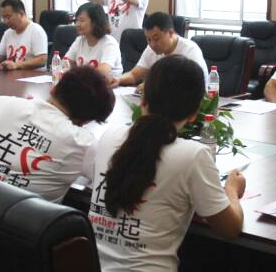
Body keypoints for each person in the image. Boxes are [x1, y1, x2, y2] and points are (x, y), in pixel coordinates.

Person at [87, 55, 245, 271]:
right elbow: (230, 229)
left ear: (143, 100)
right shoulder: (193, 155)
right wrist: (232, 190)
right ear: (195, 112)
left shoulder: (109, 137)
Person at [0, 66, 115, 203]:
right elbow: (108, 183)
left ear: (54, 89)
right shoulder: (82, 142)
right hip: (21, 225)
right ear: (85, 122)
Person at [110, 12, 207, 93]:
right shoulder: (151, 49)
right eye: (148, 39)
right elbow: (134, 75)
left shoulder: (190, 50)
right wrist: (118, 79)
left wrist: (152, 86)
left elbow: (191, 84)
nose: (152, 44)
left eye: (156, 39)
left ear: (170, 33)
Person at [64, 2, 122, 78]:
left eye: (82, 20)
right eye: (76, 20)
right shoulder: (79, 40)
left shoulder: (109, 43)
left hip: (106, 84)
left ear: (95, 22)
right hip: (84, 83)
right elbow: (65, 64)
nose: (77, 24)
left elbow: (102, 73)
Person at [0, 0, 48, 70]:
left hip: (33, 75)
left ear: (21, 14)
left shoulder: (36, 31)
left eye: (8, 17)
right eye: (3, 17)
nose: (6, 21)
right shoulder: (8, 33)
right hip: (12, 75)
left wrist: (17, 65)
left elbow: (42, 60)